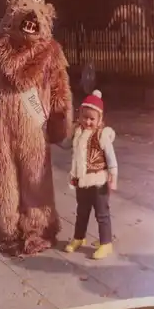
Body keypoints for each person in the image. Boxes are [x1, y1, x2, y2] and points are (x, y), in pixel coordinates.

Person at [65, 89, 118, 259]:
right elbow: (71, 151)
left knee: (101, 213)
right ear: (79, 116)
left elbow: (111, 159)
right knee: (82, 211)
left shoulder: (102, 135)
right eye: (84, 117)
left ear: (100, 119)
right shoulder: (78, 133)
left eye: (92, 118)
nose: (88, 121)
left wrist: (113, 177)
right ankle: (79, 238)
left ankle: (106, 243)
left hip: (99, 182)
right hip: (82, 180)